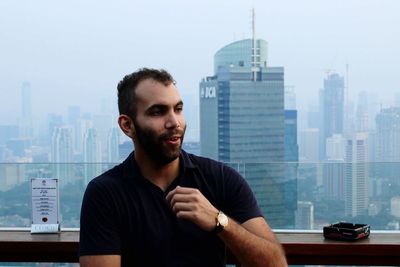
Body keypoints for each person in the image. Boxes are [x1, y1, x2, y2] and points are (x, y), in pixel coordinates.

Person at [79, 68, 287, 267]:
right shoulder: (105, 193)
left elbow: (276, 264)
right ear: (127, 125)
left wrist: (219, 221)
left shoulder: (221, 179)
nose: (174, 122)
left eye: (178, 109)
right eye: (158, 112)